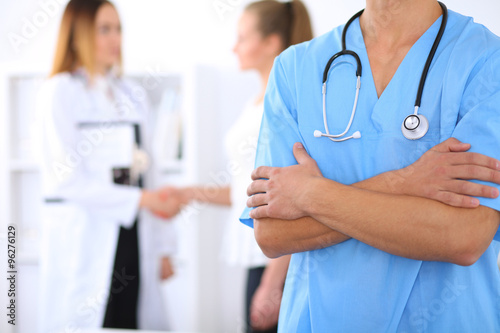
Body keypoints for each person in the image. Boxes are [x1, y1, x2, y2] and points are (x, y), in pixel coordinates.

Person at [243, 0, 500, 332]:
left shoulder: (486, 61)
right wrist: (403, 182)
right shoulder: (294, 69)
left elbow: (463, 236)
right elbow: (272, 234)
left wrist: (308, 194)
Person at [164, 1, 312, 331]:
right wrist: (189, 192)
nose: (234, 47)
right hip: (258, 257)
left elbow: (297, 199)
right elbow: (246, 192)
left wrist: (273, 283)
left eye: (242, 38)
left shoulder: (287, 104)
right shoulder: (255, 103)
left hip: (277, 263)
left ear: (271, 43)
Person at [36, 0, 180, 331]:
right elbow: (65, 180)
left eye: (118, 29)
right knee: (92, 318)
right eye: (104, 29)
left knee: (130, 318)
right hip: (87, 239)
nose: (115, 38)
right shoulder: (59, 92)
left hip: (133, 237)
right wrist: (141, 200)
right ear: (78, 33)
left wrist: (164, 247)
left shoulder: (132, 94)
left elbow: (151, 173)